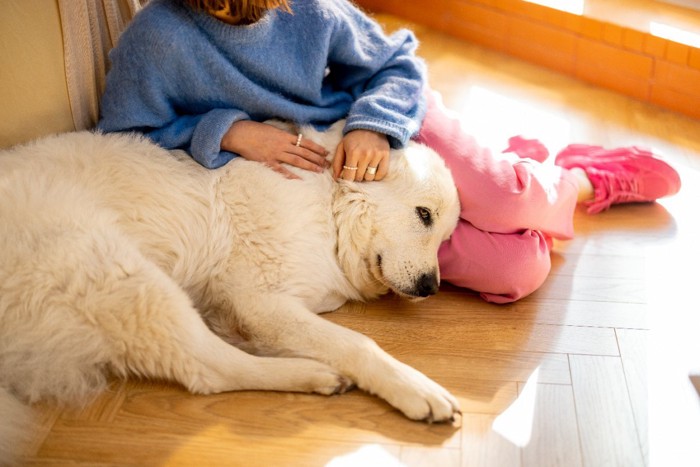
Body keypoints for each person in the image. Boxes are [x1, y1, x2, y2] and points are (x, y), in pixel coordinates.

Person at [98, 0, 681, 304]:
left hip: (390, 122)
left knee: (505, 199)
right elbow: (126, 137)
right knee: (515, 270)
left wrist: (374, 126)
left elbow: (398, 63)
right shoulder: (156, 38)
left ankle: (575, 178)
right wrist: (226, 131)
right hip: (343, 184)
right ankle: (511, 166)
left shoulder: (310, 9)